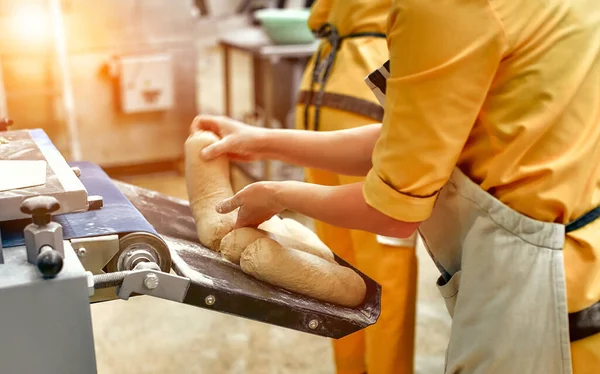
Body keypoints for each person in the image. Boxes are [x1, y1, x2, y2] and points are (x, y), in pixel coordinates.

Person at [192, 0, 600, 372]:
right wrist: (261, 140)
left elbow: (392, 212)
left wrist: (278, 194)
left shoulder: (447, 10)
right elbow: (409, 139)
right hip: (573, 264)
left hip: (538, 293)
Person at [294, 1, 418, 374]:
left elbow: (318, 16)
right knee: (386, 263)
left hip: (321, 85)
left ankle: (350, 368)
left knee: (338, 265)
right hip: (371, 84)